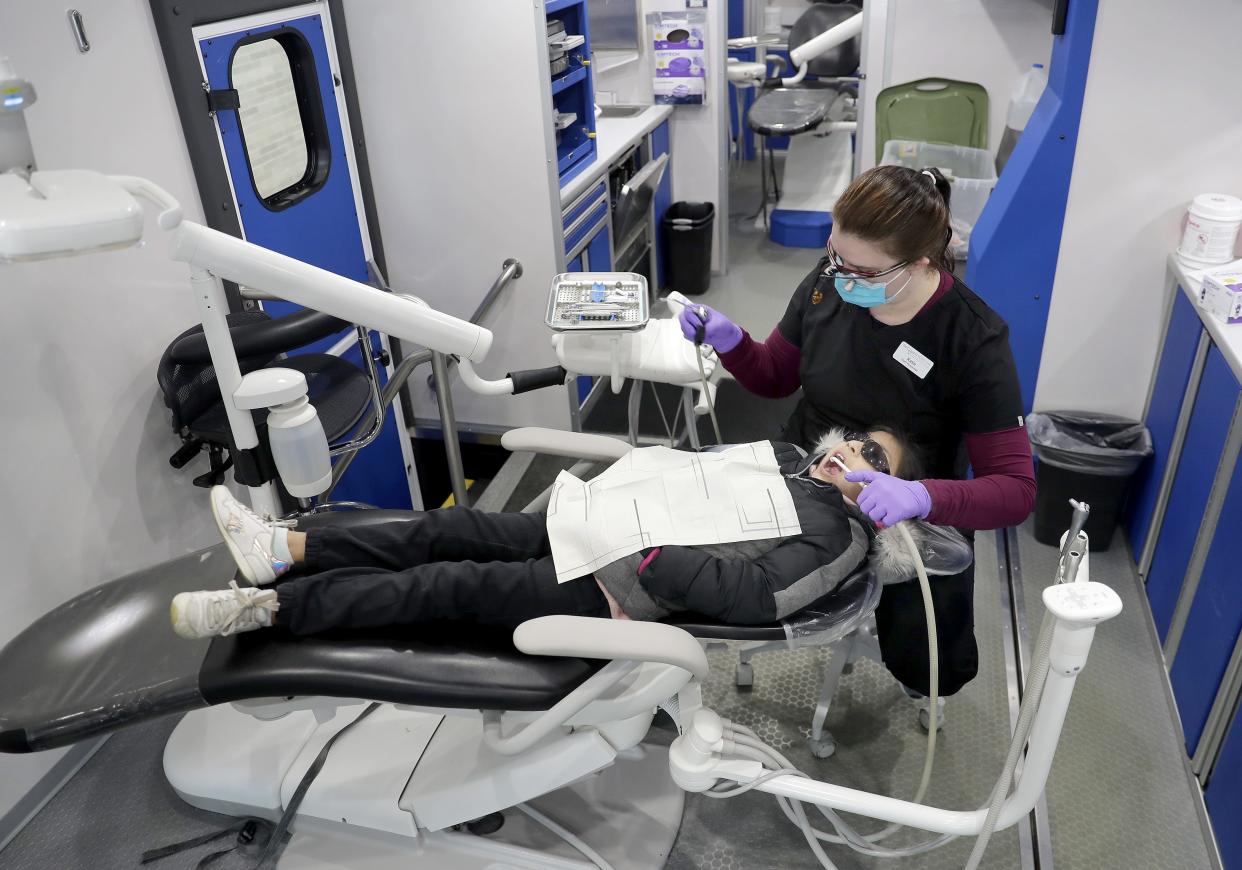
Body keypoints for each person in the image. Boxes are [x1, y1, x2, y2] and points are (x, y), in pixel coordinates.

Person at [678, 165, 1036, 697]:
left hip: (910, 499)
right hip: (807, 463)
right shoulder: (828, 284)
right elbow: (776, 375)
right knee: (697, 549)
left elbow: (1014, 491)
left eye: (864, 272)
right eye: (835, 255)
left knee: (930, 655)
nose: (843, 277)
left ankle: (919, 676)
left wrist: (917, 495)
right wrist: (731, 342)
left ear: (919, 262)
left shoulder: (972, 339)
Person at [169, 428, 923, 641]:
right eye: (856, 440)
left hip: (617, 582)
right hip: (591, 525)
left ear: (888, 495)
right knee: (448, 527)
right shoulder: (786, 467)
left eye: (873, 458)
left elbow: (760, 595)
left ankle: (270, 613)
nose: (852, 451)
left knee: (448, 585)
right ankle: (281, 550)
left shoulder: (842, 537)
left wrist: (655, 555)